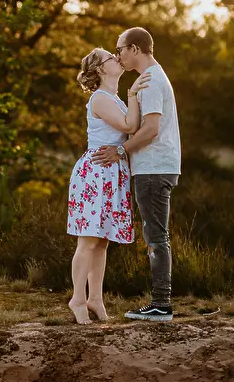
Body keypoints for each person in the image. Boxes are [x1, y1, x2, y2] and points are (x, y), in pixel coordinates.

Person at [91, 27, 182, 322]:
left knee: (156, 237)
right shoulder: (148, 80)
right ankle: (160, 302)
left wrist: (121, 151)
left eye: (120, 49)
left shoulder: (152, 81)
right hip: (153, 167)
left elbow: (151, 128)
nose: (118, 55)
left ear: (134, 49)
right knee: (155, 235)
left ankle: (161, 304)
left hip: (154, 167)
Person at [66, 48, 145, 324]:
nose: (117, 59)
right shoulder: (100, 98)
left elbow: (129, 127)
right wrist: (134, 95)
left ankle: (95, 299)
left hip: (111, 174)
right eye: (111, 58)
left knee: (101, 243)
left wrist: (130, 97)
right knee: (87, 241)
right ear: (101, 69)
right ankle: (77, 299)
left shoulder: (113, 98)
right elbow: (130, 125)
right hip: (96, 173)